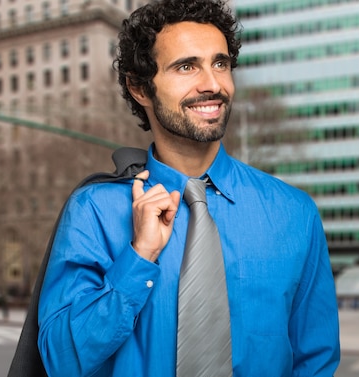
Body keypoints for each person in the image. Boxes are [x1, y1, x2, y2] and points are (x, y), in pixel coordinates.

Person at [36, 1, 341, 376]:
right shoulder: (93, 211)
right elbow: (60, 361)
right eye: (186, 66)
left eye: (220, 63)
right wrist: (139, 257)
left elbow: (316, 361)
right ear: (139, 87)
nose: (212, 84)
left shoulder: (293, 213)